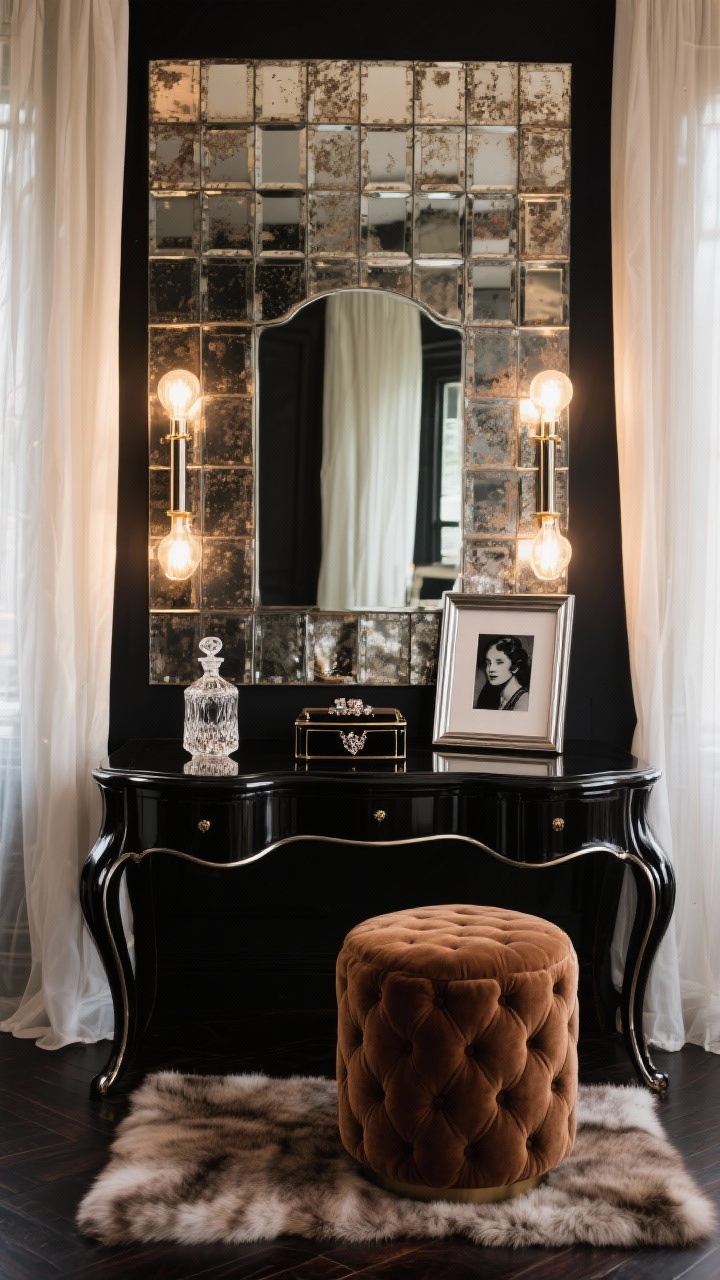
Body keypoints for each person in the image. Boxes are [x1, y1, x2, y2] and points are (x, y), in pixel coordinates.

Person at [474, 636, 530, 711]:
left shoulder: (524, 702)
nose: (491, 669)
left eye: (499, 662)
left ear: (515, 667)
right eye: (488, 662)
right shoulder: (498, 696)